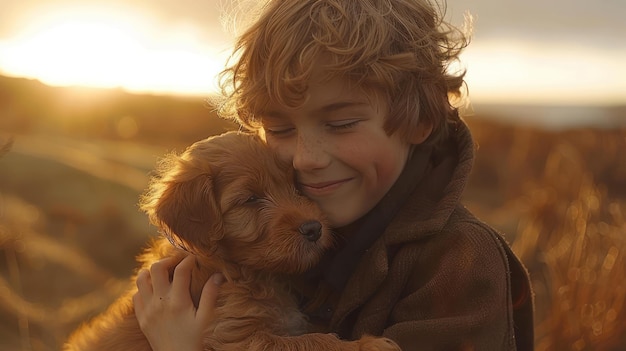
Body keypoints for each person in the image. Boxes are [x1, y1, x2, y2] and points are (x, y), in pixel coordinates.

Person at [132, 0, 535, 350]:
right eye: (281, 130)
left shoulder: (461, 262)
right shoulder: (253, 255)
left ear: (421, 120)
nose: (306, 159)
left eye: (341, 123)